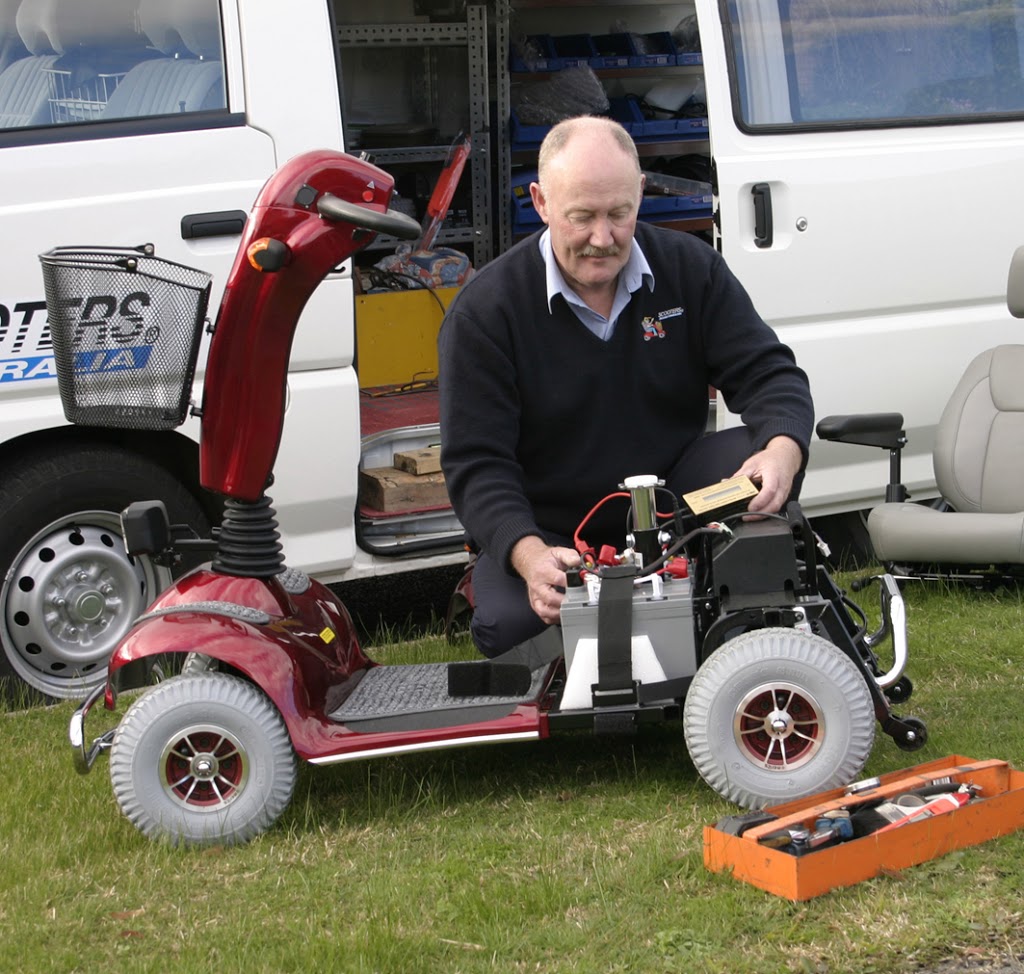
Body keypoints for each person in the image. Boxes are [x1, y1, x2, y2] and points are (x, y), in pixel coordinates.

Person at [438, 115, 813, 658]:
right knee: (504, 628)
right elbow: (476, 464)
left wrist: (783, 449)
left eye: (619, 214)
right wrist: (526, 554)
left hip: (673, 510)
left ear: (640, 192)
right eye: (581, 217)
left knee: (756, 457)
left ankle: (714, 609)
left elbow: (770, 374)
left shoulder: (692, 270)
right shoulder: (484, 314)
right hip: (554, 529)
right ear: (541, 203)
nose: (602, 238)